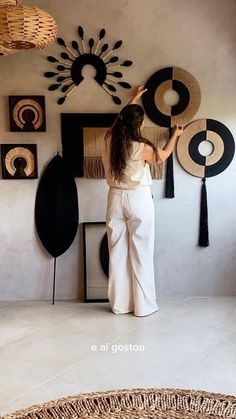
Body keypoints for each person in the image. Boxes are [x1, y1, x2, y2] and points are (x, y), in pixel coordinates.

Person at [102, 86, 183, 317]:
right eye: (142, 121)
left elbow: (120, 119)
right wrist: (175, 135)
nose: (144, 125)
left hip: (114, 198)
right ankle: (143, 306)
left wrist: (135, 97)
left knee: (117, 253)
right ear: (137, 125)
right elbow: (163, 156)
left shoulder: (110, 140)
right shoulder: (143, 147)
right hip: (138, 200)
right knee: (141, 252)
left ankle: (120, 305)